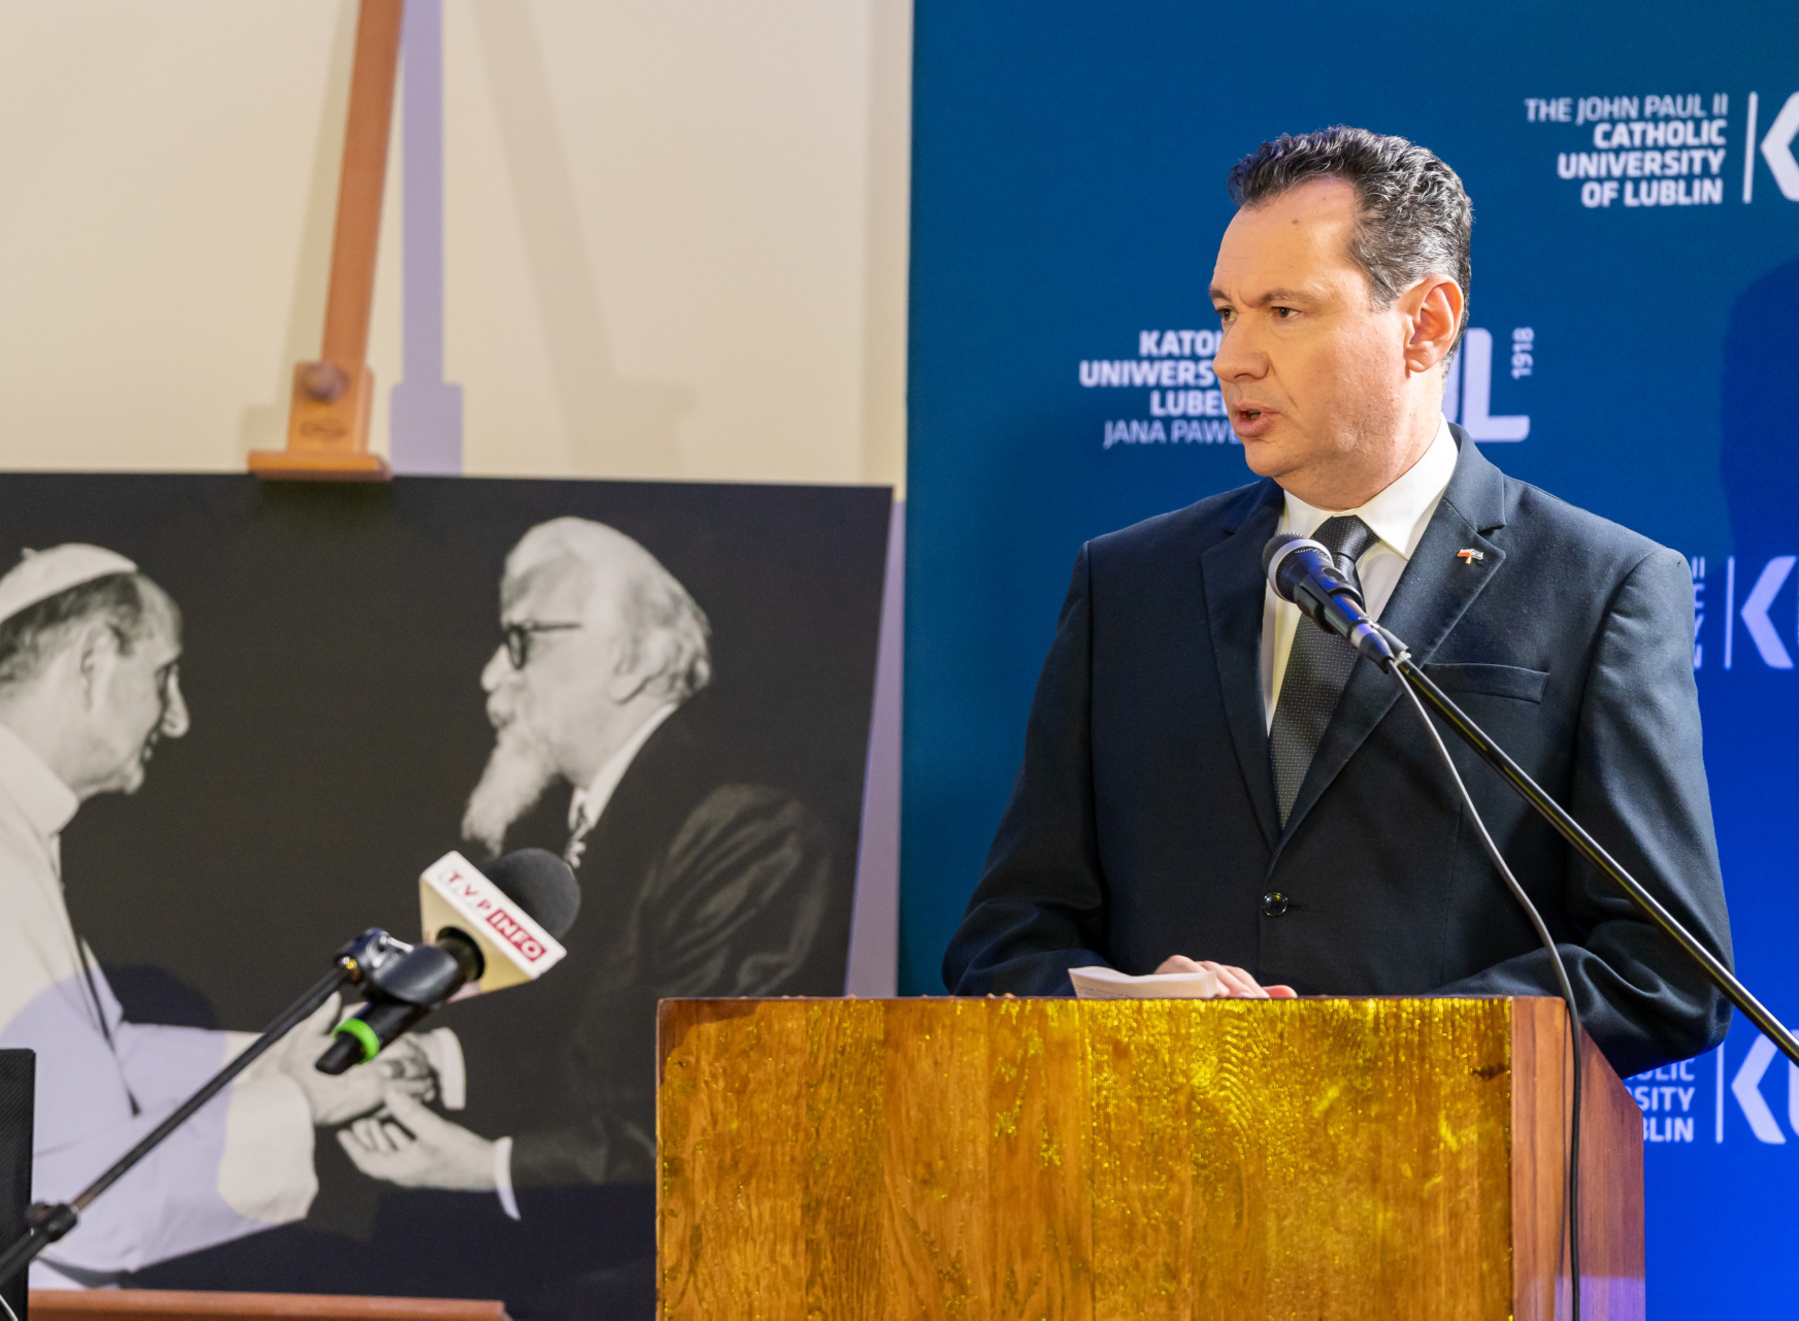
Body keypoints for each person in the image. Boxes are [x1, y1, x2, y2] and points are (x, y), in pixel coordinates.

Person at [942, 127, 1733, 1077]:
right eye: (1225, 312)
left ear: (1426, 324)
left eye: (1283, 311)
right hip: (1159, 1153)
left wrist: (1358, 1053)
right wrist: (1137, 1011)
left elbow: (1664, 971)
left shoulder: (1599, 587)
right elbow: (1006, 942)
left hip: (1445, 1160)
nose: (1232, 358)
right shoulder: (1127, 587)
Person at [0, 544, 428, 1285]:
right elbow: (69, 1206)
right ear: (93, 660)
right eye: (164, 676)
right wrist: (298, 1104)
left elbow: (92, 1064)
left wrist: (282, 1060)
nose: (178, 718)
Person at [337, 517, 843, 1207]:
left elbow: (728, 1123)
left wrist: (495, 1169)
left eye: (523, 638)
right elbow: (564, 1040)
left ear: (631, 659)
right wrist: (429, 1062)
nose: (492, 675)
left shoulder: (747, 830)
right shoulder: (563, 821)